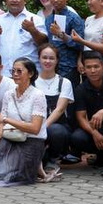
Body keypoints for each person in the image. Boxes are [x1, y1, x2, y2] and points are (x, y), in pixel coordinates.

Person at [0, 57, 46, 187]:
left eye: (19, 71)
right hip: (11, 137)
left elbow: (35, 128)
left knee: (4, 177)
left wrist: (6, 120)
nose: (15, 74)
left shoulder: (38, 95)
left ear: (30, 74)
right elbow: (3, 121)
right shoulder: (9, 94)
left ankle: (34, 168)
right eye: (13, 71)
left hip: (31, 141)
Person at [0, 0, 45, 76]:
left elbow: (44, 43)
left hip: (28, 74)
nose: (14, 0)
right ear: (6, 0)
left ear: (25, 0)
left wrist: (33, 30)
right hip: (3, 73)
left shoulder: (35, 19)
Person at [33, 44, 73, 174]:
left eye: (51, 58)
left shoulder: (64, 82)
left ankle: (54, 159)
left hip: (57, 126)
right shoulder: (31, 82)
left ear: (57, 60)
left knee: (55, 130)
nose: (47, 61)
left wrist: (42, 127)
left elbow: (60, 109)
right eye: (44, 57)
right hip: (34, 125)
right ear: (39, 59)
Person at [41, 0, 85, 81]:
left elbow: (80, 44)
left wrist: (61, 34)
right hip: (51, 67)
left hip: (69, 68)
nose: (55, 0)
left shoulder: (74, 18)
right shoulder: (48, 19)